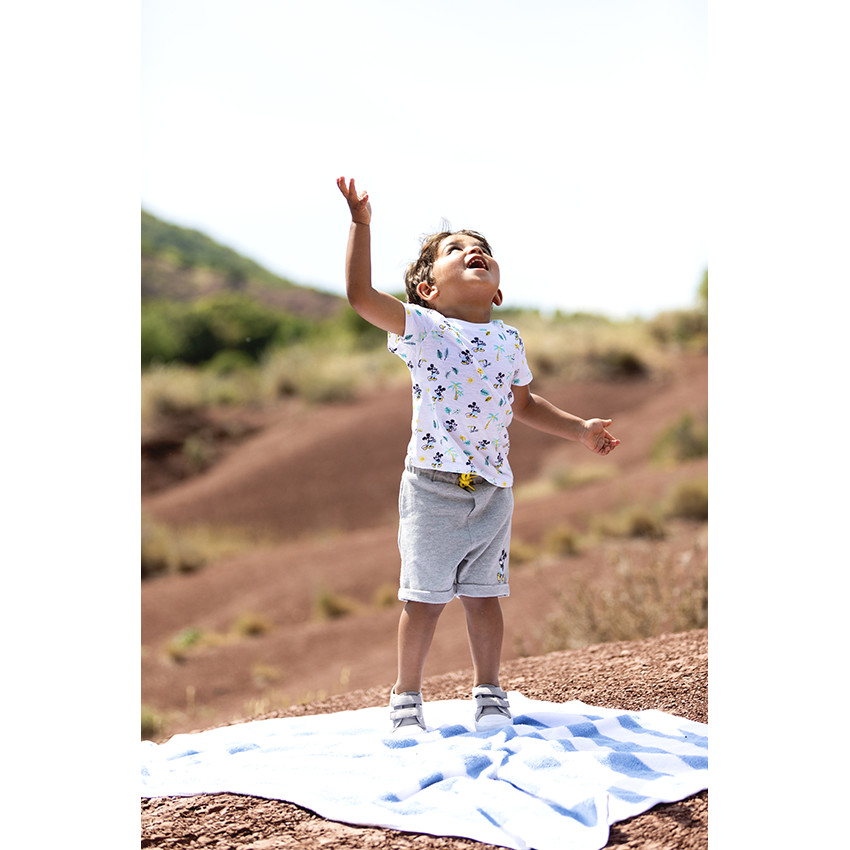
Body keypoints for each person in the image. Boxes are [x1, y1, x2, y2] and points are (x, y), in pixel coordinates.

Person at [336, 176, 620, 733]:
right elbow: (360, 297)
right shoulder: (422, 328)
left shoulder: (508, 340)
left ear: (497, 292)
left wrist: (581, 428)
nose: (474, 252)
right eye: (454, 250)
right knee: (423, 599)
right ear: (427, 288)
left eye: (482, 250)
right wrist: (360, 225)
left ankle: (489, 693)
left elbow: (525, 405)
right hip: (434, 487)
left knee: (485, 597)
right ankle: (406, 698)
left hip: (493, 489)